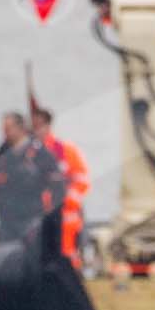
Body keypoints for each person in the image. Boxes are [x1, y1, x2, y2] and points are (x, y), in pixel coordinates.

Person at [0, 111, 65, 246]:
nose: (5, 133)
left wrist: (49, 212)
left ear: (20, 128)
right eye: (4, 130)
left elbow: (57, 185)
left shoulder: (39, 153)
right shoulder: (2, 153)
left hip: (31, 216)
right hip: (7, 219)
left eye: (8, 129)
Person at [32, 107, 91, 267]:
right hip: (37, 213)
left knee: (66, 255)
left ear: (48, 125)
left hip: (65, 215)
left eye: (40, 125)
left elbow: (82, 179)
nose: (37, 130)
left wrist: (66, 199)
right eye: (34, 125)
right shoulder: (29, 152)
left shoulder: (65, 150)